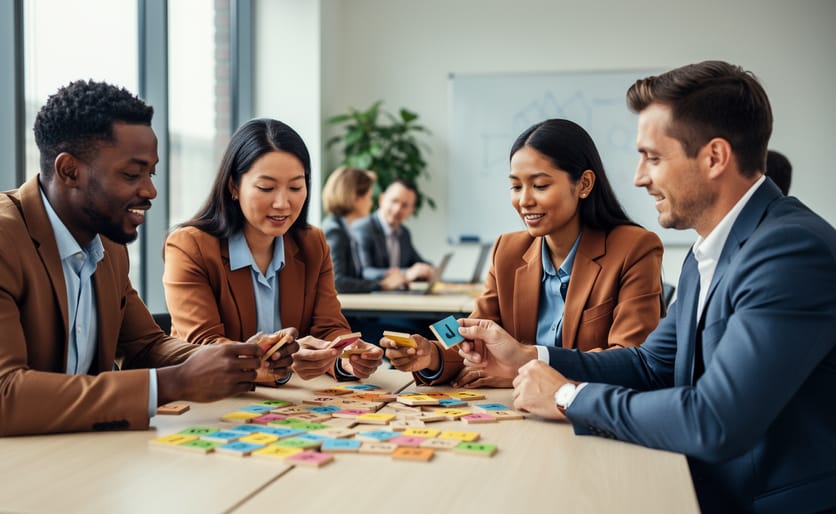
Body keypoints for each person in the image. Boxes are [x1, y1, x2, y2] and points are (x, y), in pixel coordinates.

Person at [457, 61, 836, 513]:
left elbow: (715, 421)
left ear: (714, 157)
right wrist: (532, 357)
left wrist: (565, 396)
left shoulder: (790, 252)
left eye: (653, 158)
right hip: (700, 483)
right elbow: (651, 365)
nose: (639, 177)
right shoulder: (709, 250)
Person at [0, 80, 298, 458]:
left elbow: (146, 345)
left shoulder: (107, 243)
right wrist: (172, 383)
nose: (150, 191)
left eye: (151, 174)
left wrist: (237, 361)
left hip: (71, 453)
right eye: (132, 175)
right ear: (69, 171)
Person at [383, 119, 664, 388]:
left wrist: (525, 370)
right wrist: (431, 356)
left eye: (540, 186)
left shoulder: (634, 249)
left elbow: (631, 363)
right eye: (516, 186)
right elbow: (476, 341)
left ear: (584, 184)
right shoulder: (508, 250)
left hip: (587, 414)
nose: (525, 200)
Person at [163, 118, 383, 382]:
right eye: (266, 187)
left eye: (295, 187)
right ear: (233, 186)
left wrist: (345, 356)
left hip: (293, 402)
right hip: (215, 400)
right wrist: (285, 358)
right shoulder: (190, 246)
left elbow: (329, 328)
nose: (282, 203)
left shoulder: (312, 243)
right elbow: (204, 345)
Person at [321, 166, 406, 293]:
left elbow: (357, 275)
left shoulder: (346, 229)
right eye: (369, 197)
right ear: (356, 198)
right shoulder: (335, 232)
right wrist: (382, 285)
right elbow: (337, 282)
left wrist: (384, 277)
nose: (371, 204)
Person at [353, 179, 434, 283]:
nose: (397, 209)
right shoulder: (363, 228)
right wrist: (406, 273)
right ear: (382, 199)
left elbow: (417, 262)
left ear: (411, 211)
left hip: (398, 295)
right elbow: (365, 272)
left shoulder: (404, 233)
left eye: (405, 205)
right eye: (394, 201)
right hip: (373, 295)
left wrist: (429, 269)